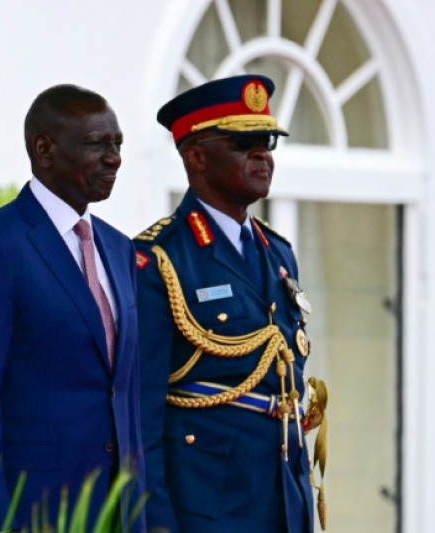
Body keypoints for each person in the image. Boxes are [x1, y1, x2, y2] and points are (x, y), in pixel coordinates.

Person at [0, 84, 146, 532]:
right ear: (44, 149)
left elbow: (123, 398)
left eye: (118, 144)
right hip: (32, 516)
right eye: (97, 144)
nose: (114, 159)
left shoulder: (119, 248)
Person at [134, 75, 320, 533]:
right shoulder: (160, 259)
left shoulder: (277, 252)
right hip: (208, 507)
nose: (263, 154)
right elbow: (141, 417)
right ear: (196, 155)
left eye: (268, 142)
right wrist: (156, 523)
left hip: (282, 500)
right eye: (244, 142)